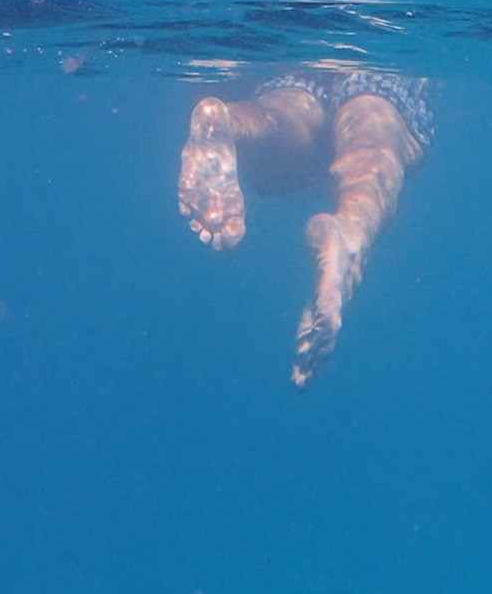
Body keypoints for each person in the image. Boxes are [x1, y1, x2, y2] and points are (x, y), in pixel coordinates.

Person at [176, 67, 433, 388]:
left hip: (296, 47)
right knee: (377, 131)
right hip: (385, 38)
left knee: (290, 109)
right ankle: (352, 232)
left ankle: (232, 121)